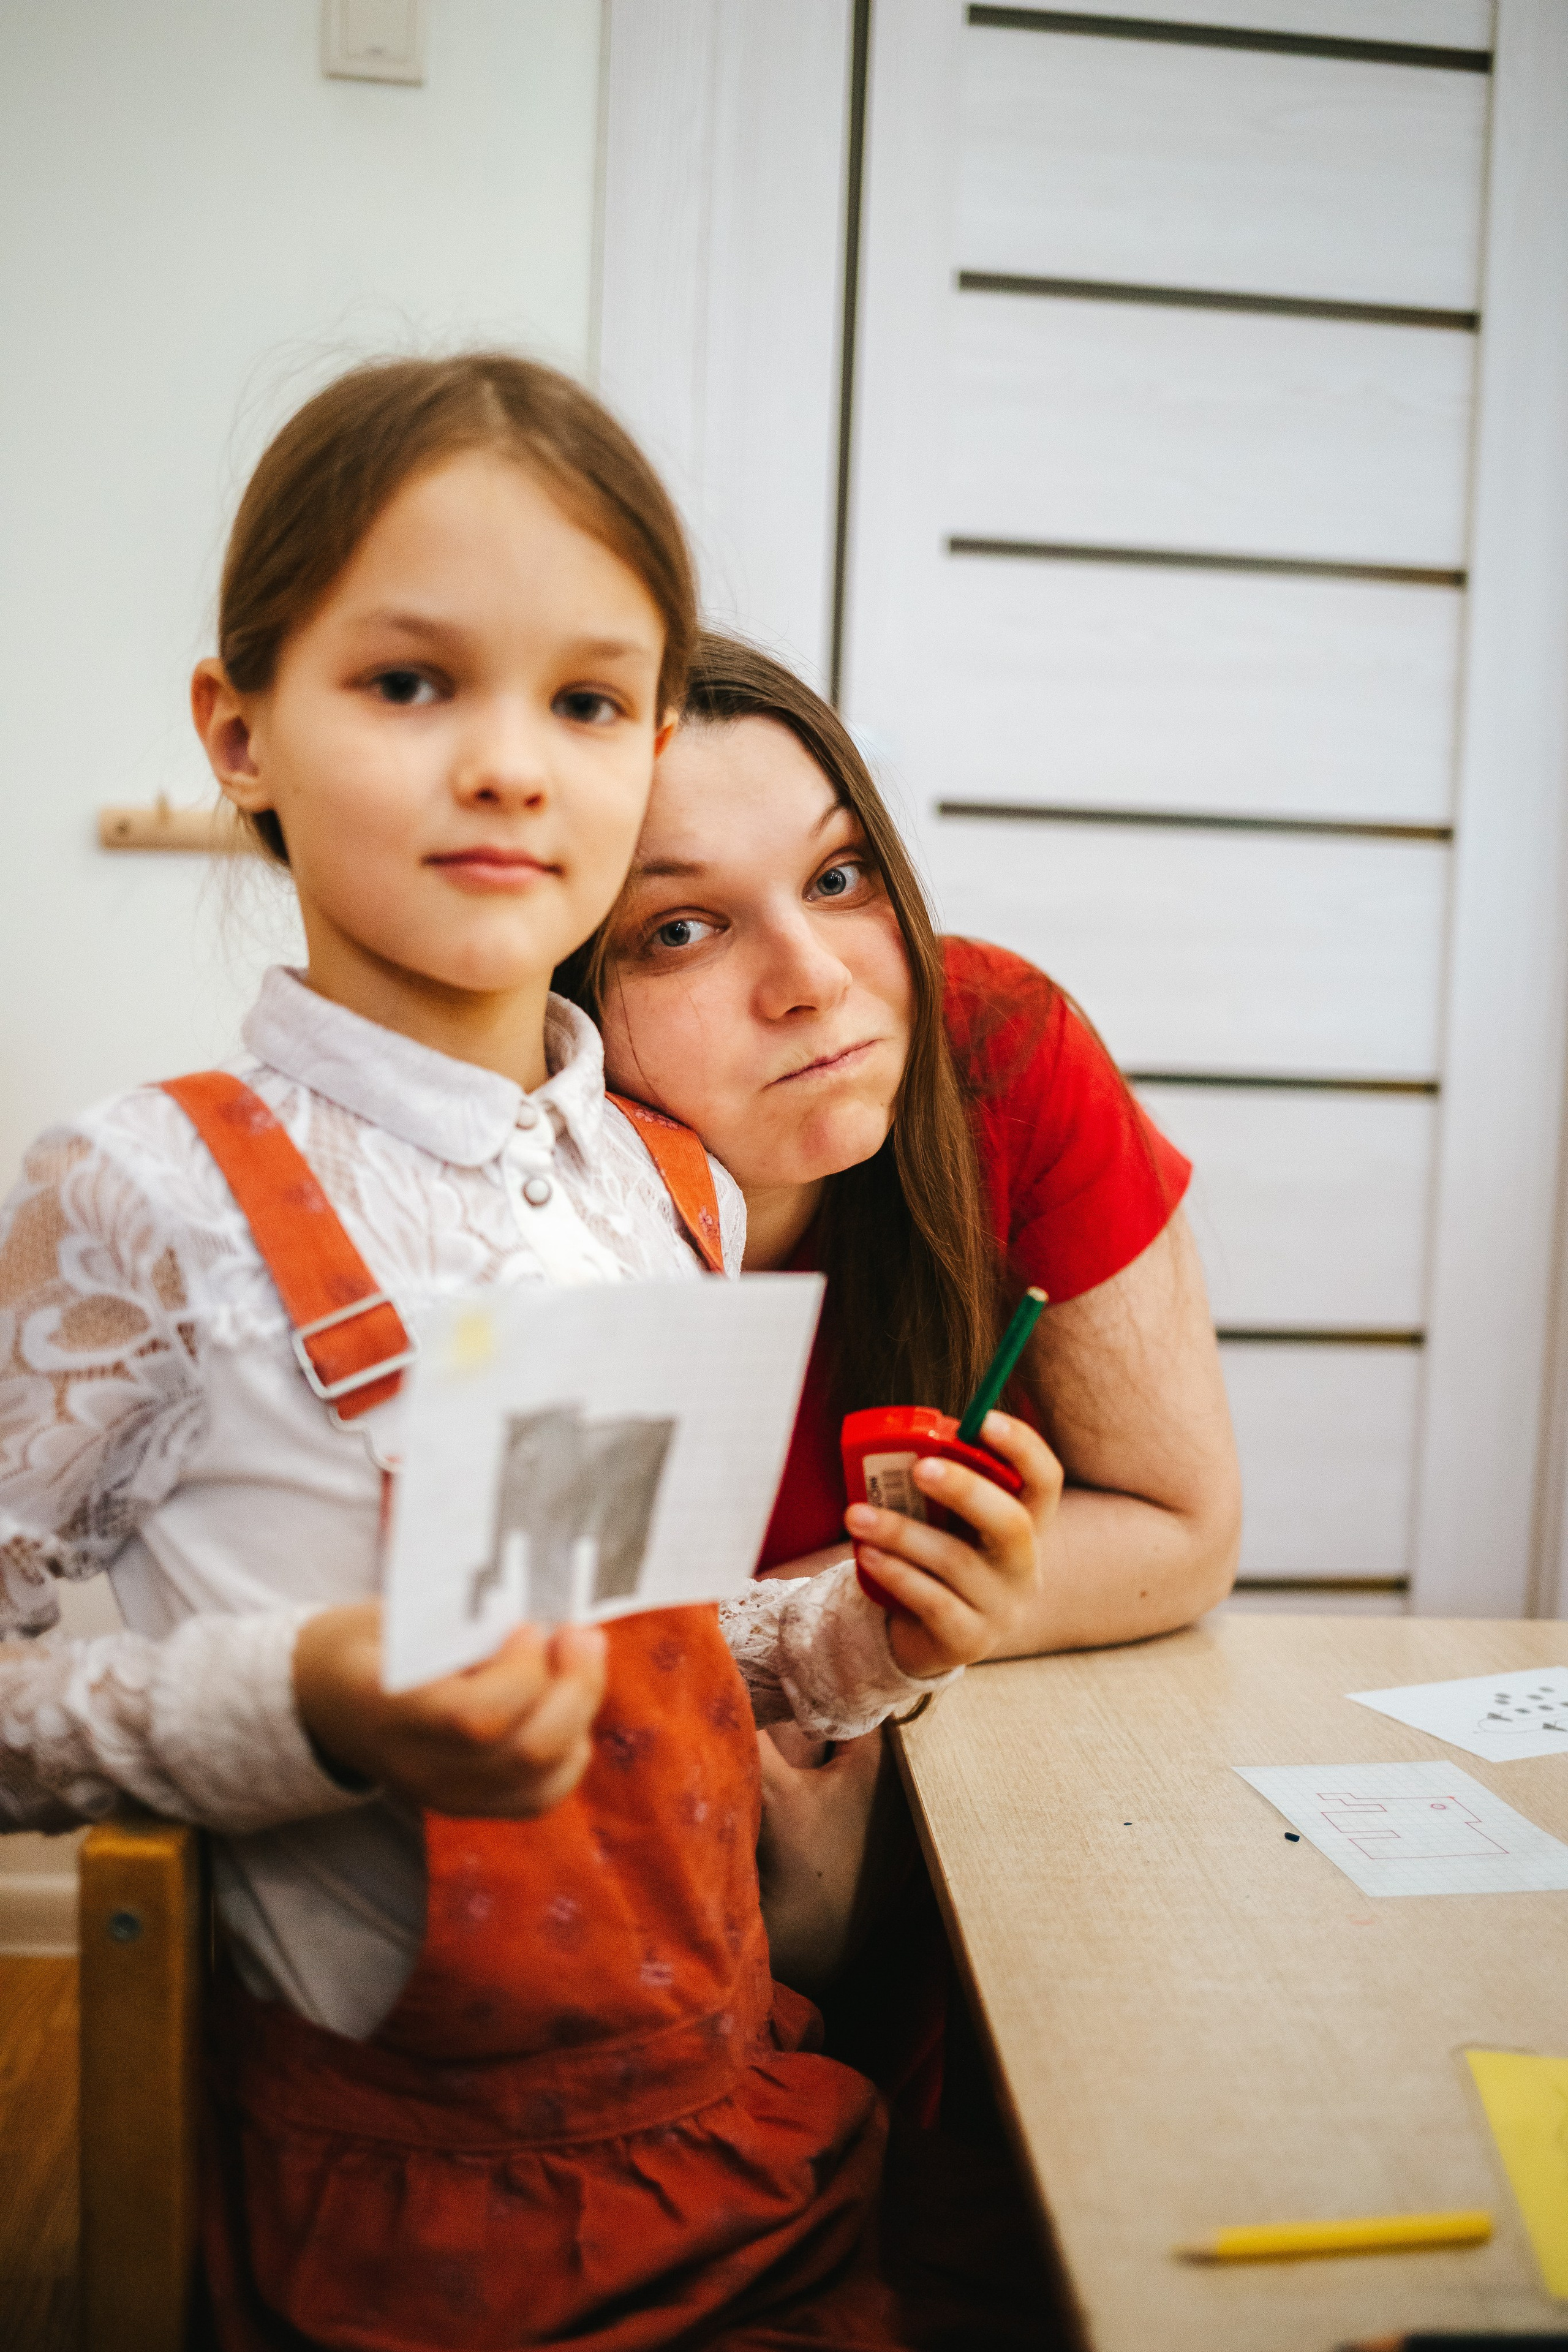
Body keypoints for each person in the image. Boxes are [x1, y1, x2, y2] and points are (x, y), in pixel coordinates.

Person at [0, 360, 1057, 2352]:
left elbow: (626, 1646)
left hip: (737, 2140)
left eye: (584, 701)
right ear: (239, 731)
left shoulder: (666, 1189)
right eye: (412, 683)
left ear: (649, 744)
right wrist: (315, 1701)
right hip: (403, 2231)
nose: (507, 764)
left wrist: (870, 1627)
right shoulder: (140, 1191)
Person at [556, 630, 1243, 2113]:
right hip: (627, 1943)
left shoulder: (1001, 1043)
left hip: (978, 1863)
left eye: (836, 877)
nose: (811, 981)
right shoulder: (531, 1196)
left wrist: (857, 1632)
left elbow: (1181, 1526)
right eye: (677, 930)